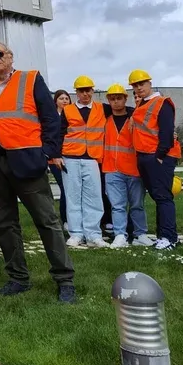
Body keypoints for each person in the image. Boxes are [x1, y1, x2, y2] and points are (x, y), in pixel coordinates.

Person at [0, 41, 76, 303]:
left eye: (0, 54)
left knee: (47, 221)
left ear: (11, 57)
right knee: (5, 225)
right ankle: (18, 278)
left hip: (28, 160)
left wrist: (47, 152)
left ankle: (65, 280)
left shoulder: (31, 79)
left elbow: (51, 119)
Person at [129, 69, 182, 250]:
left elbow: (166, 131)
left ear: (150, 83)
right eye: (135, 86)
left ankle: (169, 238)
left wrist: (160, 156)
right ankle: (164, 236)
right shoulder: (141, 105)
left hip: (159, 157)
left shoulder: (161, 103)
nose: (138, 88)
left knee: (163, 197)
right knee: (159, 197)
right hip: (146, 156)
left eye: (141, 84)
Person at [102, 84, 153, 249]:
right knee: (117, 205)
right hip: (112, 169)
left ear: (125, 99)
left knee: (137, 204)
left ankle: (140, 234)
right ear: (108, 100)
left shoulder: (135, 117)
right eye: (112, 98)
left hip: (133, 169)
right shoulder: (104, 119)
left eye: (119, 98)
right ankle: (120, 235)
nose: (116, 102)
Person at [61, 76, 108, 248]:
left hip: (92, 158)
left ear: (93, 91)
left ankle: (94, 234)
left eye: (88, 90)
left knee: (94, 197)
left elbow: (123, 112)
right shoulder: (67, 110)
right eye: (81, 90)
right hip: (70, 158)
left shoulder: (102, 108)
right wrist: (56, 156)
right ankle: (76, 234)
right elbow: (58, 133)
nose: (85, 93)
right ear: (76, 92)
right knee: (73, 197)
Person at [50, 90, 71, 226]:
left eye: (67, 98)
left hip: (70, 155)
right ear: (56, 101)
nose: (64, 101)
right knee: (64, 187)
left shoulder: (73, 115)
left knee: (70, 188)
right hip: (55, 158)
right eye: (61, 98)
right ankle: (65, 219)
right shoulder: (52, 117)